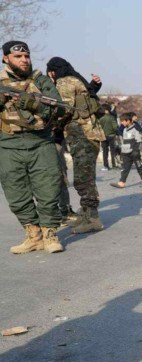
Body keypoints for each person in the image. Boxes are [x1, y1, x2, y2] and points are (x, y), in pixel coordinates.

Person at [0, 41, 64, 253]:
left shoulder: (41, 80)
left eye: (26, 56)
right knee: (15, 192)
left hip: (41, 143)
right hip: (8, 145)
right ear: (6, 59)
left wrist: (27, 102)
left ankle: (50, 234)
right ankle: (33, 235)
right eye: (18, 57)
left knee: (48, 188)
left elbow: (56, 107)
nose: (24, 60)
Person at [46, 56, 105, 234]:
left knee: (83, 179)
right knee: (84, 176)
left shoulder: (64, 82)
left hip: (82, 134)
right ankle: (85, 215)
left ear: (52, 71)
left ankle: (92, 218)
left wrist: (49, 124)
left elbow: (64, 109)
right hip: (87, 134)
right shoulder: (76, 80)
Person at [110, 112, 142, 188]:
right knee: (125, 168)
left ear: (128, 121)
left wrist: (136, 151)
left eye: (123, 121)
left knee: (139, 166)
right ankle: (121, 182)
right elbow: (124, 141)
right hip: (125, 152)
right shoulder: (124, 130)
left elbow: (138, 141)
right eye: (121, 121)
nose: (122, 122)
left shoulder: (135, 129)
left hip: (134, 152)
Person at [53, 128, 78, 225]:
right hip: (51, 143)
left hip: (55, 142)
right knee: (59, 180)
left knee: (61, 181)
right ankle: (63, 213)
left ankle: (62, 212)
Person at [98, 104, 119, 170]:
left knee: (105, 151)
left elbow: (99, 127)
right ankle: (114, 164)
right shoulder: (112, 118)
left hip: (103, 137)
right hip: (111, 136)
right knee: (112, 151)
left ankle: (106, 166)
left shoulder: (101, 119)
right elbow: (115, 127)